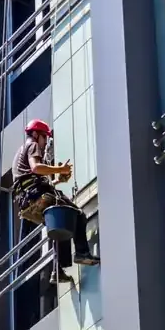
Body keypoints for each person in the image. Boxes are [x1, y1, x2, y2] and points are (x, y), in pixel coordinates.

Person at [12, 119, 100, 283]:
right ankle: (82, 252)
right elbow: (36, 168)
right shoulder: (32, 145)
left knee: (60, 223)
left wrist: (58, 179)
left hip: (27, 197)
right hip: (36, 193)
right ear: (36, 134)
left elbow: (32, 179)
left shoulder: (20, 153)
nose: (45, 143)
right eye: (45, 137)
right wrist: (61, 169)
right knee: (77, 214)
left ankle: (57, 270)